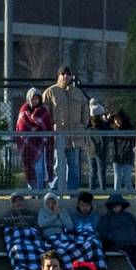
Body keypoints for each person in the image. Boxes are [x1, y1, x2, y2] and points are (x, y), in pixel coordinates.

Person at [42, 65, 87, 193]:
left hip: (75, 136)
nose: (66, 76)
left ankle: (72, 194)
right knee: (58, 167)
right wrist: (51, 127)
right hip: (58, 137)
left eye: (68, 74)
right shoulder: (50, 92)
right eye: (63, 74)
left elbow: (85, 108)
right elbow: (45, 113)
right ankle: (54, 193)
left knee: (74, 167)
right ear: (59, 76)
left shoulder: (78, 92)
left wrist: (83, 124)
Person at [97, 194, 136, 270]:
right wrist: (114, 242)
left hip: (135, 242)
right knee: (130, 253)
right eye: (114, 205)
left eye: (118, 205)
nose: (116, 207)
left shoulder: (129, 216)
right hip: (119, 244)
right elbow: (103, 232)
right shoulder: (106, 218)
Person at [16, 87, 53, 191]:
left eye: (37, 98)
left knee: (39, 169)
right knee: (29, 168)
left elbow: (47, 127)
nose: (35, 101)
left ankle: (40, 192)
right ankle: (33, 191)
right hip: (27, 146)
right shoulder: (23, 111)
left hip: (41, 145)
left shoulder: (43, 111)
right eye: (33, 99)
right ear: (29, 99)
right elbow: (21, 128)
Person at [0, 191, 45, 270]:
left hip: (30, 239)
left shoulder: (30, 214)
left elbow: (36, 228)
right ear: (12, 203)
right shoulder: (6, 216)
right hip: (16, 240)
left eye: (20, 201)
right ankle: (22, 269)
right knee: (17, 249)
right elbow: (4, 231)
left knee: (38, 248)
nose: (18, 203)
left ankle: (37, 269)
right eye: (15, 201)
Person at [86, 99, 111, 191]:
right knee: (101, 170)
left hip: (90, 149)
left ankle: (92, 189)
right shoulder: (103, 125)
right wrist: (107, 119)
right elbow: (108, 127)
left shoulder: (89, 126)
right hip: (101, 149)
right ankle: (102, 189)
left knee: (92, 171)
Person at [110, 110, 135, 191]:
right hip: (117, 157)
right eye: (115, 119)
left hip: (128, 156)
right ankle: (116, 195)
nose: (117, 121)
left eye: (119, 119)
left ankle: (131, 193)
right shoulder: (112, 129)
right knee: (117, 177)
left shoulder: (130, 129)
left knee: (127, 177)